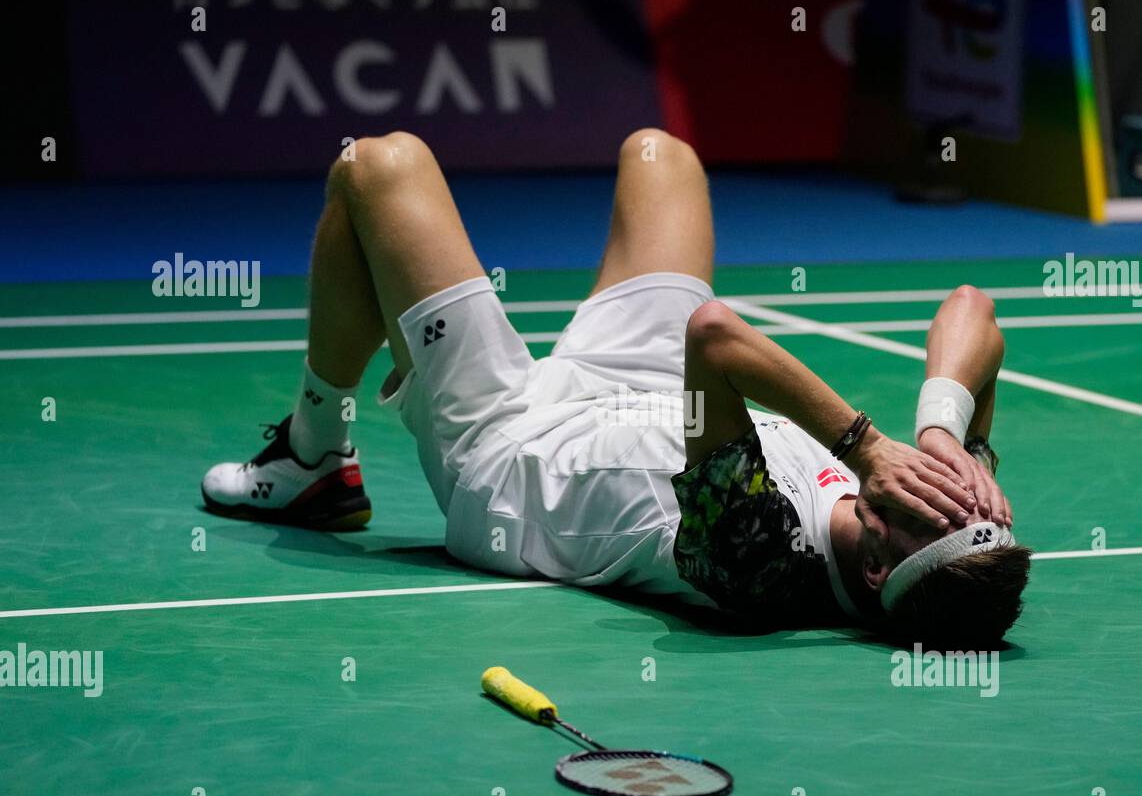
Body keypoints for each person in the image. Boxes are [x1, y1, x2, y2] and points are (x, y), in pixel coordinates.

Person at [201, 128, 1030, 646]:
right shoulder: (929, 502)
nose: (945, 499)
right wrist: (947, 441)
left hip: (515, 459)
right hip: (651, 398)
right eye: (967, 504)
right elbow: (973, 312)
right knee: (659, 156)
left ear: (880, 567)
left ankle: (314, 457)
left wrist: (869, 445)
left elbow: (716, 336)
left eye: (941, 513)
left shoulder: (762, 565)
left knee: (377, 164)